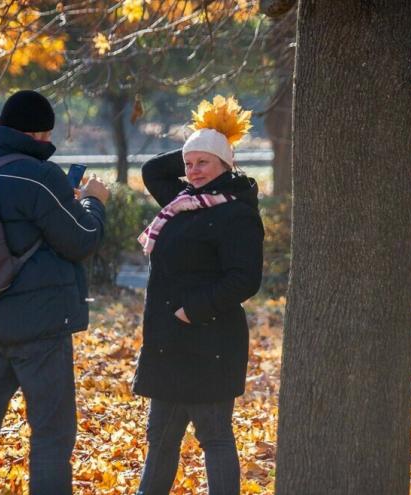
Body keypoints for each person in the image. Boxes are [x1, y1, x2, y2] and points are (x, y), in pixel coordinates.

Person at [0, 90, 110, 495]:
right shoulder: (39, 175)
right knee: (51, 435)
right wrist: (94, 203)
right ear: (39, 134)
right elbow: (82, 239)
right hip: (37, 329)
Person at [133, 96, 265, 495]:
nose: (192, 171)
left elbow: (245, 279)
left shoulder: (237, 211)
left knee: (214, 437)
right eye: (189, 164)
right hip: (167, 344)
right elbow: (154, 170)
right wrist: (201, 143)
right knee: (160, 437)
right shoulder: (181, 203)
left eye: (203, 163)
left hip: (209, 341)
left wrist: (192, 311)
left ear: (227, 164)